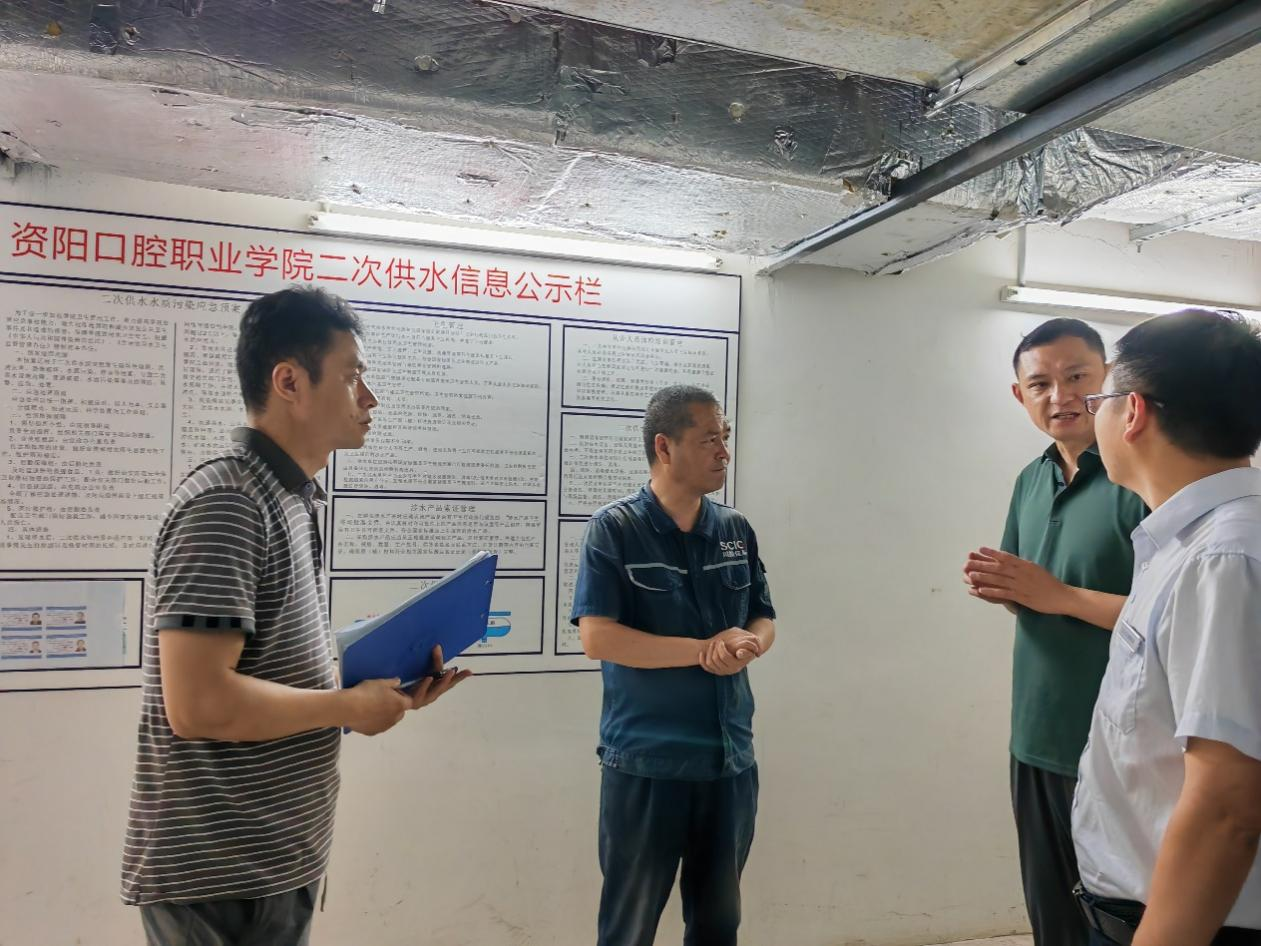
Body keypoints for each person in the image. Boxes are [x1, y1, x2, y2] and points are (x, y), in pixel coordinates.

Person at [120, 287, 471, 946]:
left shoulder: (286, 497)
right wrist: (345, 707)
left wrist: (376, 688)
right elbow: (197, 704)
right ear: (289, 382)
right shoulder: (228, 502)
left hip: (273, 861)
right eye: (352, 376)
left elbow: (263, 668)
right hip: (219, 877)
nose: (370, 398)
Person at [1072, 309, 1261, 946]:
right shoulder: (1188, 544)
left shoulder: (1224, 558)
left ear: (1132, 412)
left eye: (1097, 399)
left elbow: (1228, 804)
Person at [571, 384, 776, 946]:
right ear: (664, 447)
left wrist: (750, 645)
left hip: (728, 762)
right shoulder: (615, 528)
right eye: (709, 439)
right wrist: (705, 649)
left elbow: (763, 617)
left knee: (718, 923)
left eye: (725, 437)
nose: (724, 452)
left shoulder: (734, 529)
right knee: (629, 925)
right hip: (647, 763)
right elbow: (598, 638)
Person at [964, 318, 1146, 946]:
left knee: (1118, 923)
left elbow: (1178, 613)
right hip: (1036, 736)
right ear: (1021, 396)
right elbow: (1036, 598)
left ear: (1109, 380)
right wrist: (1010, 591)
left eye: (1076, 377)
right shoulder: (1031, 478)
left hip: (1120, 746)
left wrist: (1058, 595)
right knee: (1053, 919)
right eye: (1040, 384)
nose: (1060, 396)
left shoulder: (1139, 477)